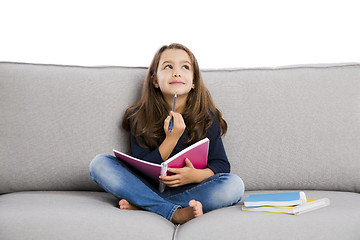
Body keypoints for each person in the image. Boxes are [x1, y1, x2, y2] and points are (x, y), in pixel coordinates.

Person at [89, 43, 245, 224]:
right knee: (99, 163)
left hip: (191, 190)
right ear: (155, 80)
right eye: (168, 66)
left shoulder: (206, 118)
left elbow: (221, 165)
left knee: (234, 185)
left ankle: (146, 206)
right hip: (144, 187)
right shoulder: (139, 116)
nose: (177, 72)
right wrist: (171, 139)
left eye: (185, 67)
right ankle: (173, 212)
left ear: (194, 81)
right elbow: (142, 166)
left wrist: (194, 175)